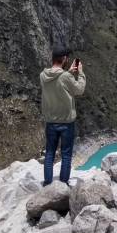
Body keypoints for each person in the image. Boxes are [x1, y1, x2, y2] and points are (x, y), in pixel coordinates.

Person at [40, 46, 86, 185]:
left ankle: (48, 184)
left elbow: (58, 80)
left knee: (49, 154)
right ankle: (63, 185)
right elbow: (79, 89)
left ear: (53, 58)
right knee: (66, 155)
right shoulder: (66, 76)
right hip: (66, 123)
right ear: (65, 59)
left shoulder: (43, 75)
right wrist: (81, 73)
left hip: (50, 121)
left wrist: (68, 73)